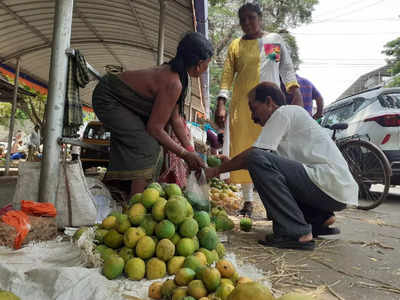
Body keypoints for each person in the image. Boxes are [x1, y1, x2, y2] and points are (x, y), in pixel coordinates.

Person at [206, 82, 358, 250]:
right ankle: (317, 219)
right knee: (258, 160)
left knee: (256, 157)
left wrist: (216, 170)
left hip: (328, 183)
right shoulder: (291, 116)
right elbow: (266, 167)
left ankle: (296, 233)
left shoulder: (283, 113)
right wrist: (231, 164)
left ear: (269, 102)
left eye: (254, 108)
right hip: (334, 188)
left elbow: (255, 157)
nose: (253, 117)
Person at [92, 32, 213, 198]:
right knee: (147, 145)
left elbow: (175, 119)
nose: (205, 70)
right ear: (199, 64)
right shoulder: (173, 81)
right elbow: (154, 128)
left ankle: (120, 192)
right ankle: (136, 204)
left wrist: (190, 151)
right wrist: (184, 154)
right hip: (108, 98)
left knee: (150, 144)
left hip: (121, 101)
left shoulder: (180, 77)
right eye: (207, 65)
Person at [214, 3, 303, 217]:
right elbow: (227, 76)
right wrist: (221, 102)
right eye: (242, 19)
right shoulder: (236, 45)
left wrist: (294, 89)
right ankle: (248, 201)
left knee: (271, 151)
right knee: (243, 150)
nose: (246, 23)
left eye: (251, 18)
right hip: (243, 109)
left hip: (269, 106)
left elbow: (283, 69)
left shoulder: (271, 42)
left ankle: (276, 204)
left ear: (260, 18)